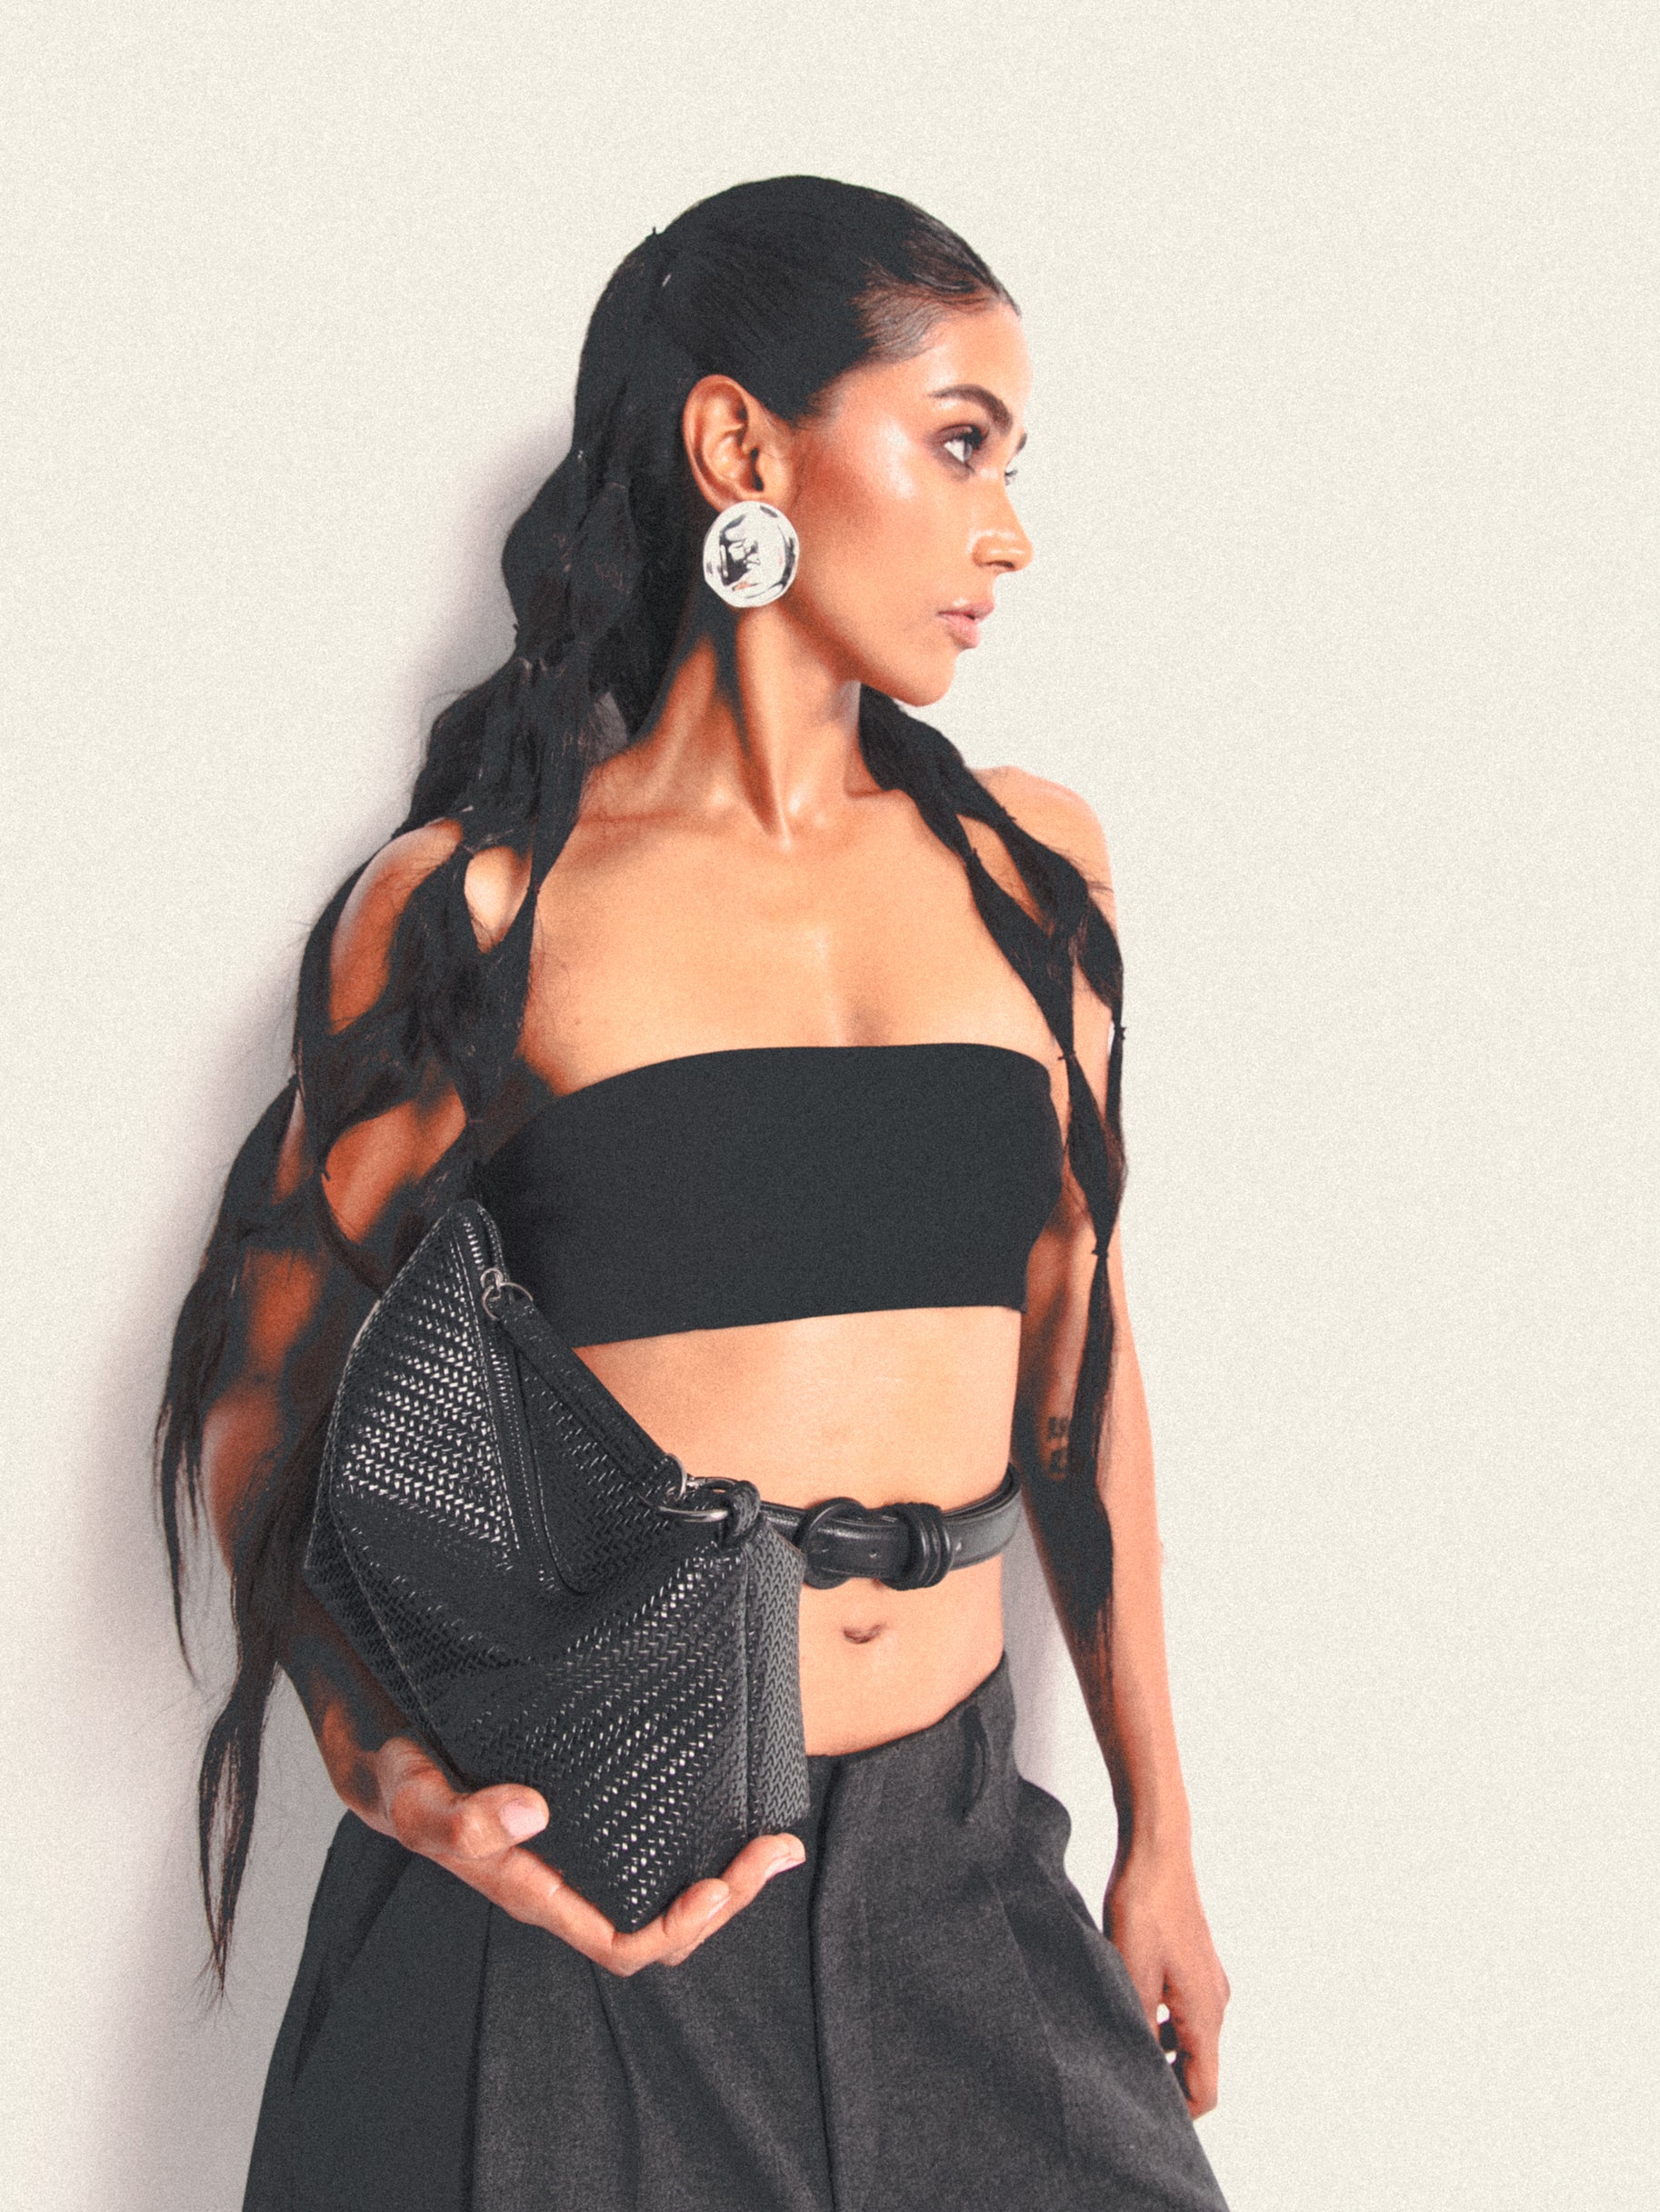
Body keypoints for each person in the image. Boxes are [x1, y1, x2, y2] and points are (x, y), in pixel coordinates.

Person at [158, 175, 1232, 2212]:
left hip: (953, 1866)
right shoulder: (481, 907)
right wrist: (378, 1762)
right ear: (744, 446)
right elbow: (259, 1396)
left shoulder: (1033, 874)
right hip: (592, 1886)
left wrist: (1157, 1828)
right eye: (960, 443)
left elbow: (1079, 1365)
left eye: (1010, 462)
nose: (1008, 532)